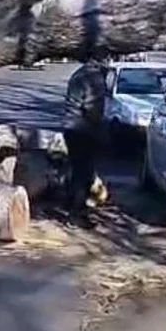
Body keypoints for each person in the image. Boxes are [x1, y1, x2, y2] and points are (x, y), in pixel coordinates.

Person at [62, 57, 109, 226]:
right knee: (84, 172)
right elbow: (92, 109)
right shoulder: (94, 78)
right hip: (83, 130)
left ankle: (69, 204)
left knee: (76, 169)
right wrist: (101, 131)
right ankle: (77, 213)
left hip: (70, 127)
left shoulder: (79, 74)